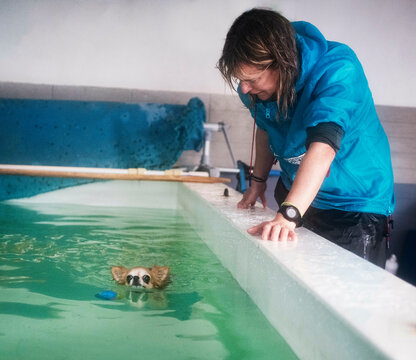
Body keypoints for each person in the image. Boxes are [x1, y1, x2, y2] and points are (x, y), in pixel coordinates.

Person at [217, 8, 395, 267]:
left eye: (252, 79)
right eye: (240, 80)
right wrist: (257, 182)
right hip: (296, 194)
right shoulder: (255, 90)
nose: (244, 89)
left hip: (352, 205)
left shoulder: (338, 70)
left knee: (344, 298)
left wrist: (289, 214)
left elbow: (323, 148)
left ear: (282, 63)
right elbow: (267, 128)